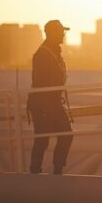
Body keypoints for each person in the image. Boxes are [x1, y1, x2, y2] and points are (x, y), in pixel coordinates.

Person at [27, 20, 73, 175]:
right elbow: (41, 82)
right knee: (42, 140)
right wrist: (46, 107)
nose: (63, 35)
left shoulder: (53, 52)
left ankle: (57, 170)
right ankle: (35, 172)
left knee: (66, 134)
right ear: (52, 33)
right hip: (44, 104)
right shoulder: (42, 54)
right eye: (61, 32)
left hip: (53, 102)